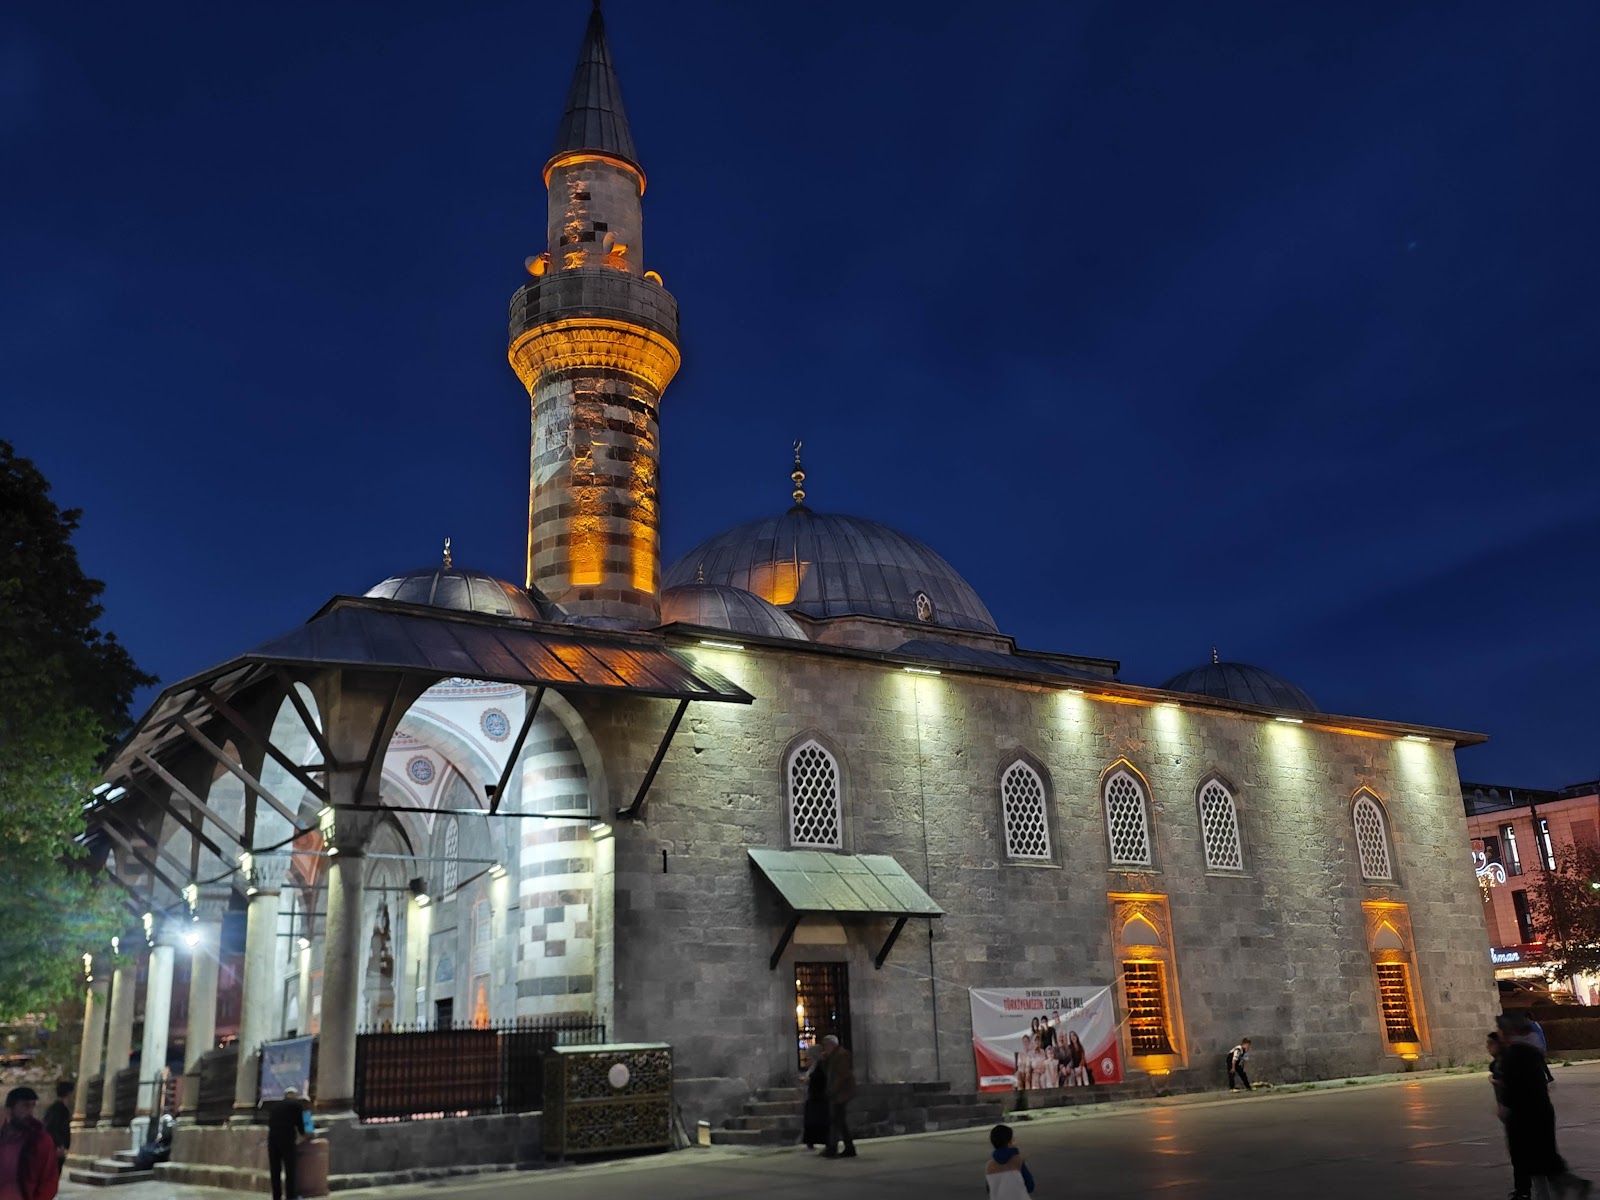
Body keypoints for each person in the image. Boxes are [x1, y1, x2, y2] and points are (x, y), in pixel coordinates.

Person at [1495, 1012, 1590, 1200]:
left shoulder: (1515, 1054)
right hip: (1538, 1112)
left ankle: (1569, 1186)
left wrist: (1505, 1105)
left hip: (1526, 1115)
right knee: (1543, 1159)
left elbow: (1515, 1085)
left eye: (1502, 1030)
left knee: (1535, 1159)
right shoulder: (1530, 1050)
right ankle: (1566, 1187)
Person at [2, 1086, 60, 1200]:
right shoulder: (2, 1138)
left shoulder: (41, 1140)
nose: (30, 1112)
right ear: (9, 1110)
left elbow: (49, 1179)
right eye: (25, 1106)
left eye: (32, 1105)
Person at [266, 1086, 310, 1200]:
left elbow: (270, 1122)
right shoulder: (298, 1105)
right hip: (287, 1139)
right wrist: (307, 1134)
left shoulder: (275, 1106)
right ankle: (291, 1196)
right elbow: (303, 1125)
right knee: (290, 1170)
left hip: (272, 1139)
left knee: (275, 1170)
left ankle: (276, 1196)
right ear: (295, 1096)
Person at [818, 1035, 856, 1159]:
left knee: (835, 1120)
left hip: (842, 1093)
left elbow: (842, 1075)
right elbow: (827, 1072)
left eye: (826, 1045)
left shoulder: (842, 1055)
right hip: (837, 1093)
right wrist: (824, 1060)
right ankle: (849, 1147)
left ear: (832, 1044)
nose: (824, 1048)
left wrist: (833, 1090)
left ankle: (832, 1147)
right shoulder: (833, 1056)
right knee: (840, 1121)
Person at [985, 1123, 1036, 1199]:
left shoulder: (989, 1166)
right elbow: (1030, 1186)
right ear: (1010, 1142)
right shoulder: (1017, 1160)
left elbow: (989, 1189)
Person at [801, 1052, 829, 1150]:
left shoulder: (819, 1067)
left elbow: (819, 1080)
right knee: (811, 1122)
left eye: (809, 1058)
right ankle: (810, 1141)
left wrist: (810, 1080)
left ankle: (823, 1141)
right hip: (813, 1097)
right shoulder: (813, 1068)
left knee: (817, 1121)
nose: (807, 1060)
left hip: (818, 1098)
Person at [38, 1084, 71, 1168]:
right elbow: (51, 1127)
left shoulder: (54, 1108)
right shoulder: (60, 1109)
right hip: (55, 1147)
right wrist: (59, 1144)